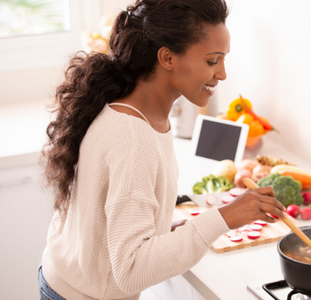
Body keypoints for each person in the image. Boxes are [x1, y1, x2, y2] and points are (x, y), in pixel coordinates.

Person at [38, 0, 286, 299]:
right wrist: (224, 217)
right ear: (167, 58)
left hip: (66, 280)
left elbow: (106, 208)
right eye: (212, 61)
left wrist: (159, 228)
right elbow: (131, 271)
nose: (222, 74)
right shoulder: (134, 139)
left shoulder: (134, 109)